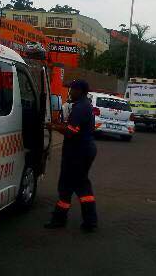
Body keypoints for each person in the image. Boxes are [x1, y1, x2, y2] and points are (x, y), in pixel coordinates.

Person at [45, 79, 98, 232]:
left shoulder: (80, 107)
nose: (70, 92)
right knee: (78, 185)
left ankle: (63, 219)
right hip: (83, 151)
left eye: (72, 89)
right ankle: (87, 221)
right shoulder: (84, 106)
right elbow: (73, 127)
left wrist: (53, 127)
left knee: (69, 186)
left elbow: (71, 132)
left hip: (77, 153)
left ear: (80, 91)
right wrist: (59, 124)